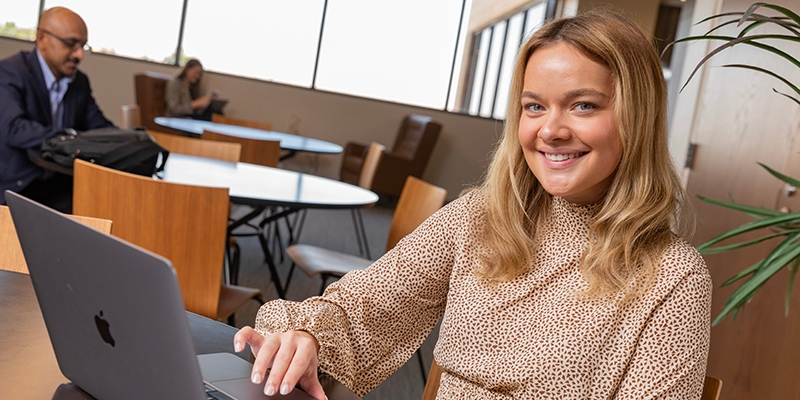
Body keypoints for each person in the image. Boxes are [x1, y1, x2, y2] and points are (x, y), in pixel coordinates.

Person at [235, 9, 712, 400]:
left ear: (637, 116)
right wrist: (307, 336)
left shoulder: (673, 279)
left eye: (583, 105)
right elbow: (365, 309)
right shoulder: (479, 218)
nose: (550, 130)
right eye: (534, 106)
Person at [0, 7, 114, 213]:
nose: (79, 55)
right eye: (70, 44)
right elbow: (14, 129)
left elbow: (99, 126)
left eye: (82, 46)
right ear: (42, 39)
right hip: (18, 187)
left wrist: (126, 142)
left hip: (60, 184)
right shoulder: (10, 72)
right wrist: (70, 139)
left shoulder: (79, 81)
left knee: (107, 208)